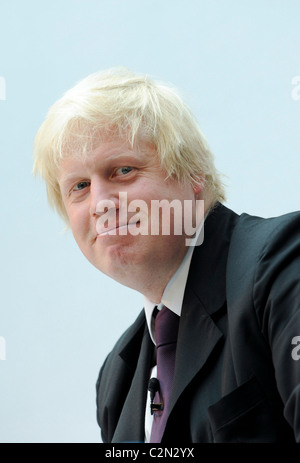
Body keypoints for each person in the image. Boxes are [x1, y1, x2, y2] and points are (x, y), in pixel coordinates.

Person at [33, 67, 300, 443]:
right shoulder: (116, 378)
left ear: (193, 175)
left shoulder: (283, 264)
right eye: (79, 186)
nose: (100, 204)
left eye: (123, 170)